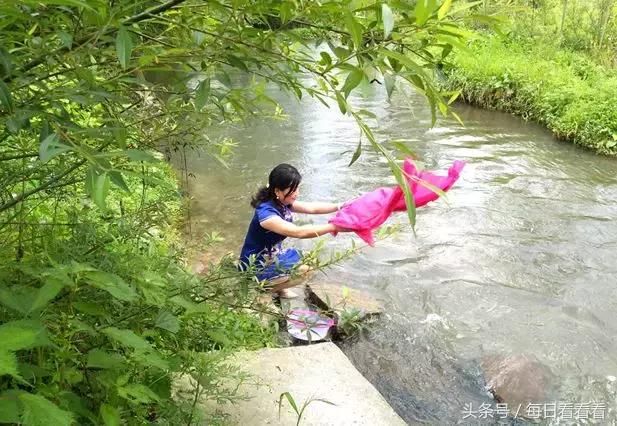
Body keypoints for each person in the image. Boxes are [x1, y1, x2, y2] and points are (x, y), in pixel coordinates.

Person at [238, 163, 347, 298]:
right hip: (254, 267)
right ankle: (260, 289)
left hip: (271, 257)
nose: (296, 194)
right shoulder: (266, 215)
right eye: (293, 190)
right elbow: (299, 232)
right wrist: (335, 227)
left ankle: (277, 286)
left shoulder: (280, 201)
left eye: (297, 188)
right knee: (306, 270)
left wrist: (341, 206)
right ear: (277, 191)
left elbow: (312, 208)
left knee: (308, 258)